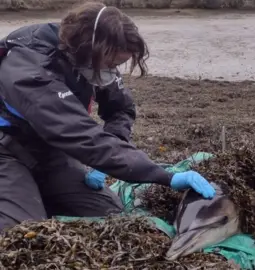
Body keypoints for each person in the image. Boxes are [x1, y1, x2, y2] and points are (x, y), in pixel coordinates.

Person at [0, 2, 216, 231]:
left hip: (50, 153)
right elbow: (79, 134)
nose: (113, 72)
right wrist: (163, 175)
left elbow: (121, 109)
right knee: (20, 234)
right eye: (112, 64)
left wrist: (115, 143)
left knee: (113, 218)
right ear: (88, 50)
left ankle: (35, 195)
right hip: (7, 150)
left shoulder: (88, 60)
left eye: (118, 65)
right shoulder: (30, 70)